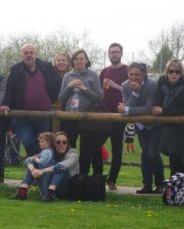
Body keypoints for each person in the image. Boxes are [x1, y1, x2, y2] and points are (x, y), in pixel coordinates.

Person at [0, 44, 61, 156]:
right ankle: (35, 165)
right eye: (26, 53)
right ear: (21, 55)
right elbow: (9, 88)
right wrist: (5, 104)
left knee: (43, 143)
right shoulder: (16, 69)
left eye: (31, 52)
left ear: (36, 54)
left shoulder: (47, 67)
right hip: (23, 115)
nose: (29, 55)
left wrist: (52, 99)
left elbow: (57, 83)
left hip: (43, 114)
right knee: (28, 141)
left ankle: (38, 170)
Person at [118, 62, 163, 194]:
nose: (133, 77)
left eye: (137, 74)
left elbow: (148, 108)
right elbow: (127, 107)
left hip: (154, 125)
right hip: (140, 125)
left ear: (144, 74)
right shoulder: (125, 86)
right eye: (131, 74)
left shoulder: (152, 85)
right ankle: (147, 184)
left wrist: (127, 109)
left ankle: (160, 184)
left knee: (152, 153)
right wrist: (136, 93)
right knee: (145, 154)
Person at [58, 49, 103, 176]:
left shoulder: (92, 75)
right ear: (72, 61)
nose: (79, 61)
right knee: (68, 147)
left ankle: (83, 177)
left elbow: (99, 98)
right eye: (76, 59)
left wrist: (85, 89)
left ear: (86, 61)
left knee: (87, 149)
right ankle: (68, 175)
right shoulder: (67, 76)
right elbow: (61, 99)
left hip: (87, 118)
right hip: (69, 117)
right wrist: (69, 87)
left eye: (81, 59)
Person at [99, 43, 129, 190]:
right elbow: (99, 91)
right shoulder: (104, 71)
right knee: (96, 145)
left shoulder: (127, 70)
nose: (114, 54)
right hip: (104, 115)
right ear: (108, 54)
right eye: (111, 52)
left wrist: (115, 85)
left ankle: (112, 180)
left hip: (119, 116)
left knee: (117, 149)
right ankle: (98, 176)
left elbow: (132, 91)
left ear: (121, 53)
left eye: (116, 52)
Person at [153, 58, 184, 176]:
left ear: (181, 73)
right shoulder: (160, 85)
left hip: (181, 128)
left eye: (177, 71)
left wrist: (164, 111)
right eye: (171, 71)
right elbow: (156, 105)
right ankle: (175, 190)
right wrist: (163, 111)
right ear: (166, 72)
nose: (174, 74)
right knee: (174, 160)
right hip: (169, 129)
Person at [31, 131, 80, 199]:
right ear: (54, 144)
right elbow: (29, 160)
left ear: (67, 143)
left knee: (61, 168)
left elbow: (64, 165)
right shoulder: (49, 152)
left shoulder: (73, 153)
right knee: (36, 163)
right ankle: (23, 190)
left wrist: (42, 171)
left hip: (66, 187)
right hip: (48, 183)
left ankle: (50, 192)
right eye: (58, 142)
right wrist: (33, 170)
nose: (61, 144)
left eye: (64, 142)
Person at [13, 131, 56, 200]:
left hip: (46, 173)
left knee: (31, 162)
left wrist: (35, 159)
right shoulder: (45, 151)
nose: (40, 143)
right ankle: (23, 190)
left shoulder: (48, 152)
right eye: (39, 141)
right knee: (30, 162)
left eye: (42, 142)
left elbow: (41, 161)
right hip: (40, 172)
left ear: (49, 143)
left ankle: (25, 191)